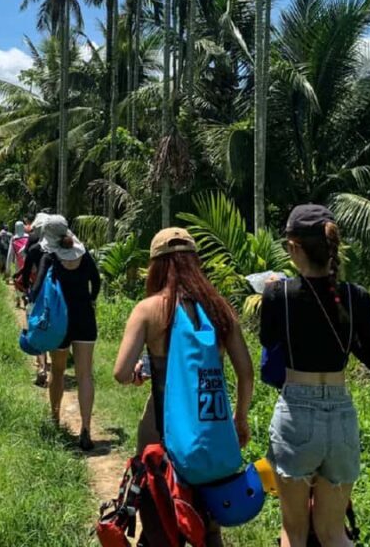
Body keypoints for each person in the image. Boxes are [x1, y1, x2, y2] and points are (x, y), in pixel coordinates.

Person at [113, 227, 254, 547]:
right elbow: (246, 373)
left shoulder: (148, 309)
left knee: (160, 526)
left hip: (160, 434)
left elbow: (120, 372)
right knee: (210, 528)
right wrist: (240, 418)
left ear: (156, 265)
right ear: (195, 262)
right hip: (210, 431)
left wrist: (137, 373)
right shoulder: (220, 309)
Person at [260, 205, 370, 547]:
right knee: (333, 532)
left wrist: (272, 290)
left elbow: (269, 340)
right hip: (341, 415)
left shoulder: (278, 294)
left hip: (297, 412)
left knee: (294, 532)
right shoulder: (356, 297)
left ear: (294, 247)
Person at [31, 215, 101, 451]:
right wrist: (90, 300)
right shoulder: (84, 255)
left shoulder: (49, 257)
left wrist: (32, 303)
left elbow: (37, 288)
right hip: (85, 320)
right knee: (85, 376)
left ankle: (55, 419)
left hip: (59, 323)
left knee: (58, 371)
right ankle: (86, 429)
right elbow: (96, 281)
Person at [13, 213, 51, 386]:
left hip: (36, 291)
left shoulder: (33, 243)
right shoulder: (62, 245)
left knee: (37, 325)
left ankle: (42, 365)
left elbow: (26, 264)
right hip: (57, 295)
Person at [8, 220, 30, 308]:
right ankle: (26, 296)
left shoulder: (14, 239)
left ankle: (18, 299)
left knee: (17, 281)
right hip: (28, 263)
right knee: (27, 281)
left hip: (18, 264)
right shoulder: (28, 237)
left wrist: (8, 268)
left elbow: (10, 254)